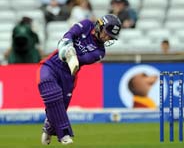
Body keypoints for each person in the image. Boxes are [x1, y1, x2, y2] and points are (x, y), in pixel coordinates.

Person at [37, 14, 121, 145]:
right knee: (51, 93)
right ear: (100, 26)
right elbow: (69, 34)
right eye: (106, 33)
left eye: (110, 37)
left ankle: (49, 127)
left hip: (69, 73)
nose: (107, 38)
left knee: (61, 105)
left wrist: (69, 52)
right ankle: (64, 134)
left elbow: (80, 60)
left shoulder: (100, 52)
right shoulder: (87, 24)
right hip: (52, 64)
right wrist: (66, 45)